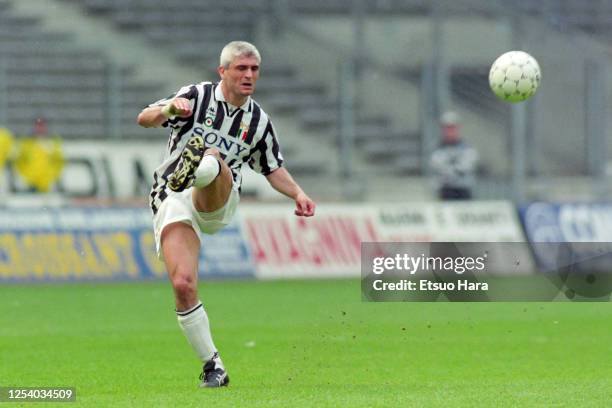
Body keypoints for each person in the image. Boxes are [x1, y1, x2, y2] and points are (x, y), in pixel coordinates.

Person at [136, 41, 316, 388]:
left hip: (219, 196)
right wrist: (170, 110)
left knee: (211, 156)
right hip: (172, 195)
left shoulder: (259, 121)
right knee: (183, 285)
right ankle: (212, 365)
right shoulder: (197, 96)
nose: (248, 75)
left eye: (254, 70)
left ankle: (201, 167)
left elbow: (272, 168)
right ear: (223, 71)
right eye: (241, 69)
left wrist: (298, 192)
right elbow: (144, 118)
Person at [429, 111, 478, 200]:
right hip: (445, 192)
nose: (450, 131)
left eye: (453, 127)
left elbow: (467, 166)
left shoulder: (467, 148)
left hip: (464, 191)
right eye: (447, 128)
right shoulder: (437, 150)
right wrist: (454, 170)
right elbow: (437, 166)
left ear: (458, 128)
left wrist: (451, 170)